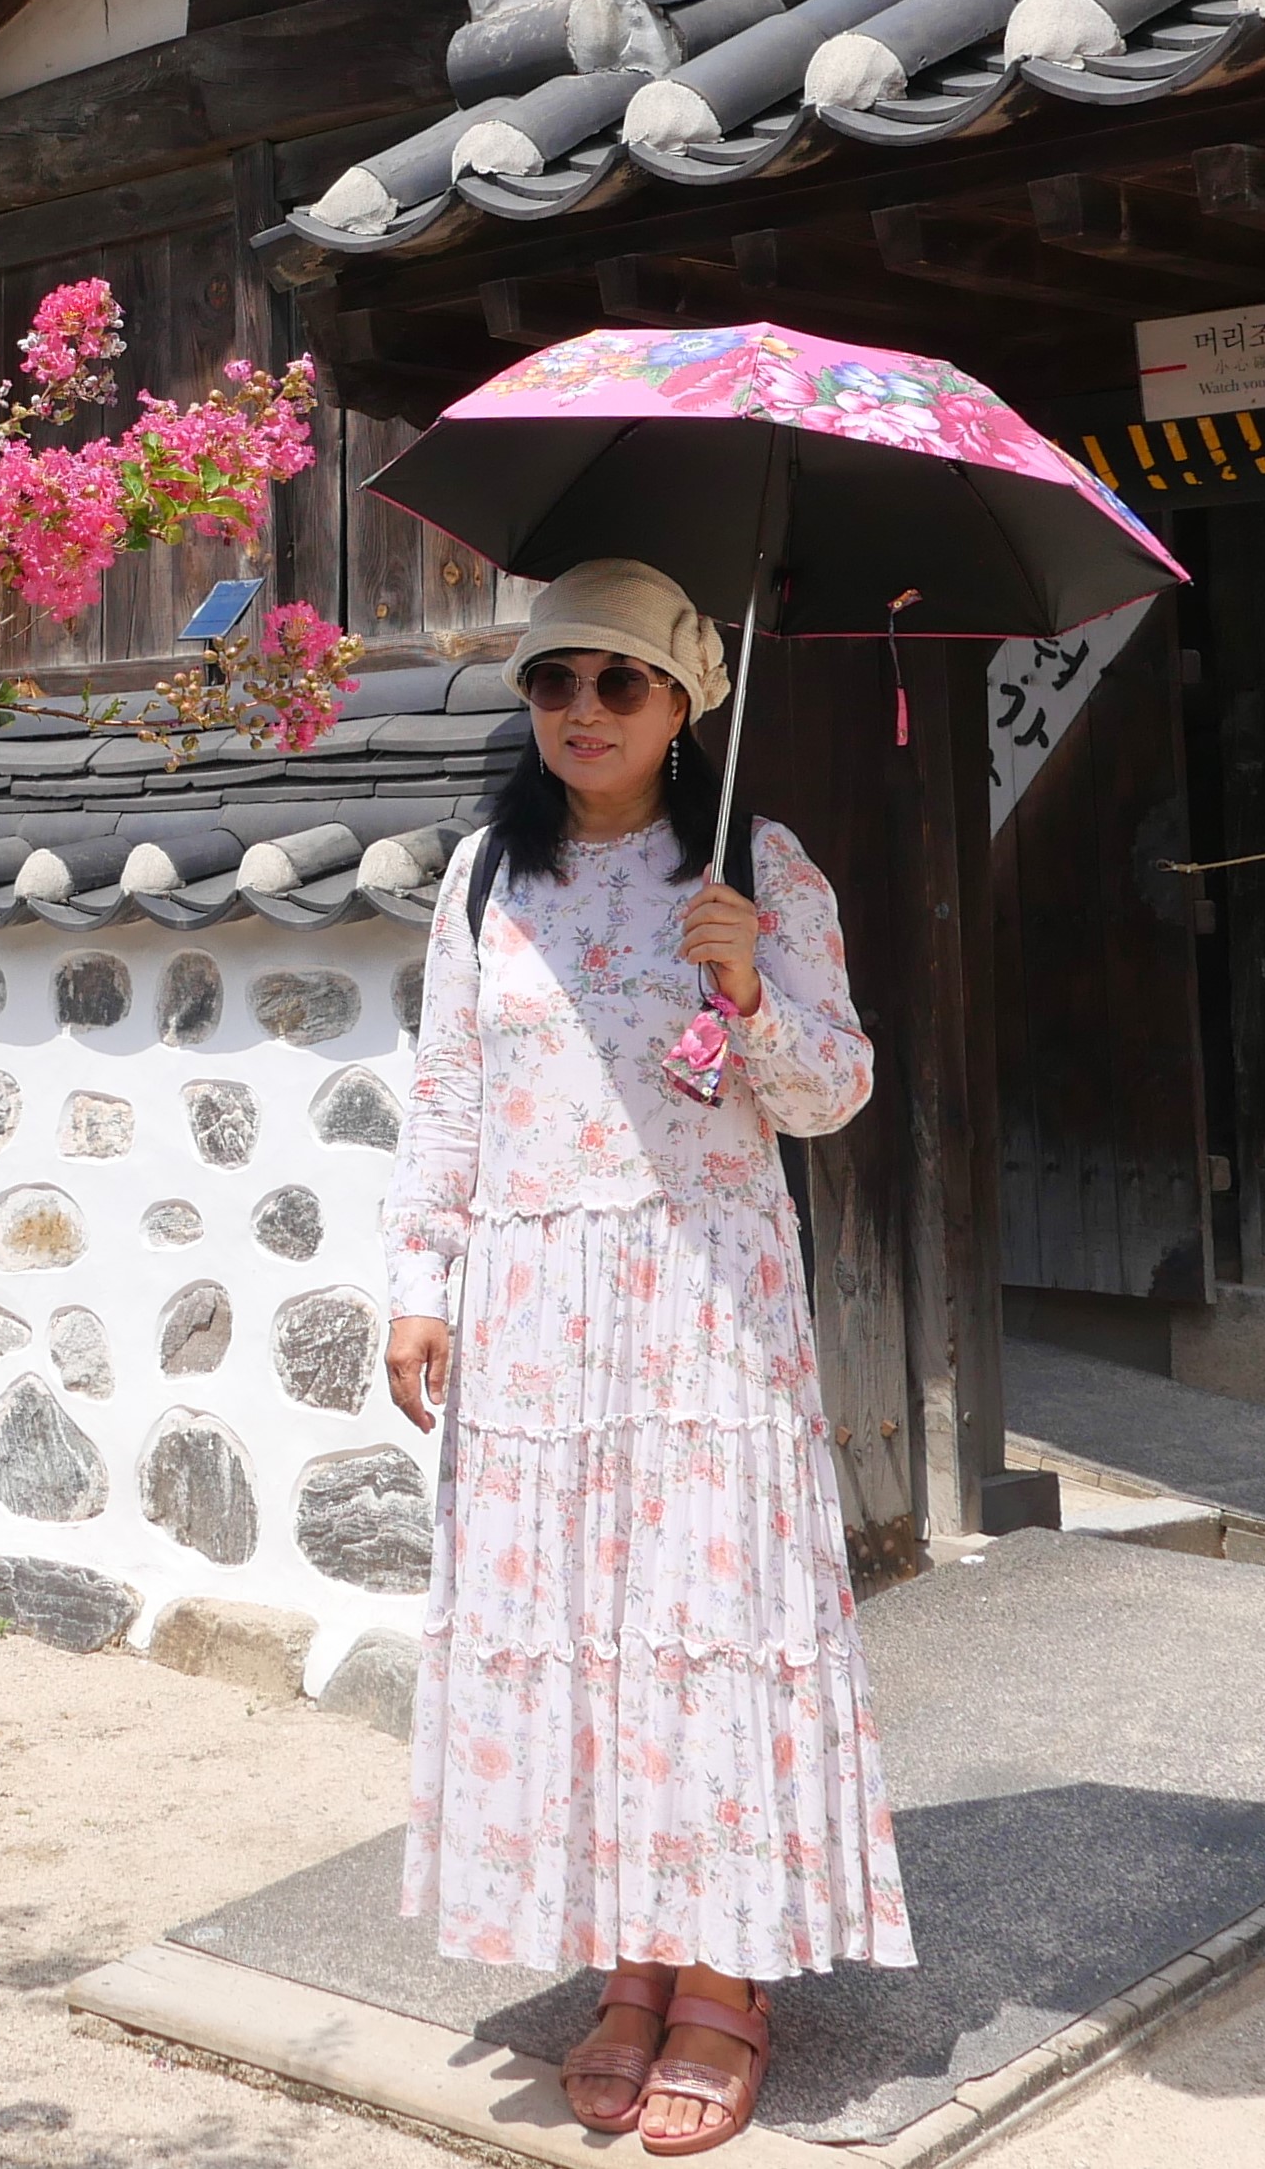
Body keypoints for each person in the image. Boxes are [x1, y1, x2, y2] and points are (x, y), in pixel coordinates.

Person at [383, 557, 911, 2156]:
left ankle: (724, 1977)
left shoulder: (761, 867)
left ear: (687, 700)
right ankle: (628, 1962)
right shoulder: (486, 877)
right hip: (538, 1317)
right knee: (585, 1634)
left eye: (619, 679)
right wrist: (420, 1283)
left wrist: (747, 985)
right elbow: (450, 1092)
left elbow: (831, 1095)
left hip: (705, 1309)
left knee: (701, 1626)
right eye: (553, 680)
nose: (583, 708)